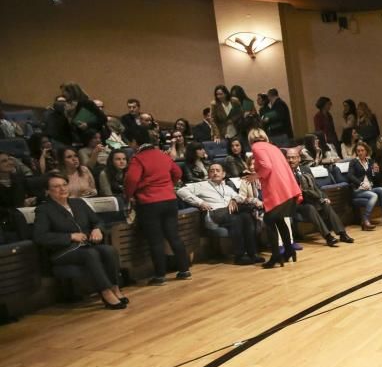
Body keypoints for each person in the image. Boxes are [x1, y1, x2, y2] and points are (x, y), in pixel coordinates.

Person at [33, 175, 128, 309]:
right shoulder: (44, 210)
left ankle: (115, 288)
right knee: (90, 254)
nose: (62, 188)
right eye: (56, 186)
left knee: (108, 250)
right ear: (47, 191)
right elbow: (40, 236)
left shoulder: (79, 203)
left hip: (86, 246)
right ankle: (105, 292)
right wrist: (70, 236)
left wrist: (97, 229)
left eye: (64, 184)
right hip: (63, 251)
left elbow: (98, 221)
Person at [124, 130, 192, 284]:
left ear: (135, 141)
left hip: (149, 202)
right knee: (174, 236)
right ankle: (184, 270)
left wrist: (129, 195)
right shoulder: (162, 155)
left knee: (155, 240)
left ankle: (160, 276)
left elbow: (132, 179)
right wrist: (169, 185)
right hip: (169, 200)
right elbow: (178, 172)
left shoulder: (138, 158)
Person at [177, 162, 261, 265]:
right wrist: (200, 202)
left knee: (245, 217)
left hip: (229, 214)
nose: (215, 173)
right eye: (212, 171)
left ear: (223, 174)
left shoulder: (226, 187)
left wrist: (234, 199)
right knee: (241, 214)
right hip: (213, 214)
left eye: (218, 171)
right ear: (208, 174)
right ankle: (239, 256)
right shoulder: (201, 185)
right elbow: (181, 191)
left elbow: (239, 197)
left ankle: (252, 254)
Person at [247, 128, 302, 268]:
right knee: (278, 219)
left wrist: (255, 176)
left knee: (268, 219)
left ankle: (276, 256)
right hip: (287, 188)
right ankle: (289, 251)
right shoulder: (273, 147)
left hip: (277, 190)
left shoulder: (256, 147)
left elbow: (267, 167)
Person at [286, 147, 354, 246]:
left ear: (299, 159)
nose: (291, 160)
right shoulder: (285, 173)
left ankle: (342, 234)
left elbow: (316, 185)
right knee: (310, 208)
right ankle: (328, 237)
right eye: (288, 158)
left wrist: (324, 196)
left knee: (325, 204)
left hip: (312, 199)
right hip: (297, 204)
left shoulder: (305, 169)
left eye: (293, 157)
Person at [346, 141, 382, 231]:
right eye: (358, 151)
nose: (360, 153)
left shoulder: (371, 161)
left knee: (381, 190)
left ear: (366, 151)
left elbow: (376, 178)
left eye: (362, 150)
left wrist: (376, 172)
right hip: (358, 190)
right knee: (374, 195)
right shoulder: (353, 162)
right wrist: (361, 183)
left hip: (369, 188)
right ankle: (365, 220)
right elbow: (350, 176)